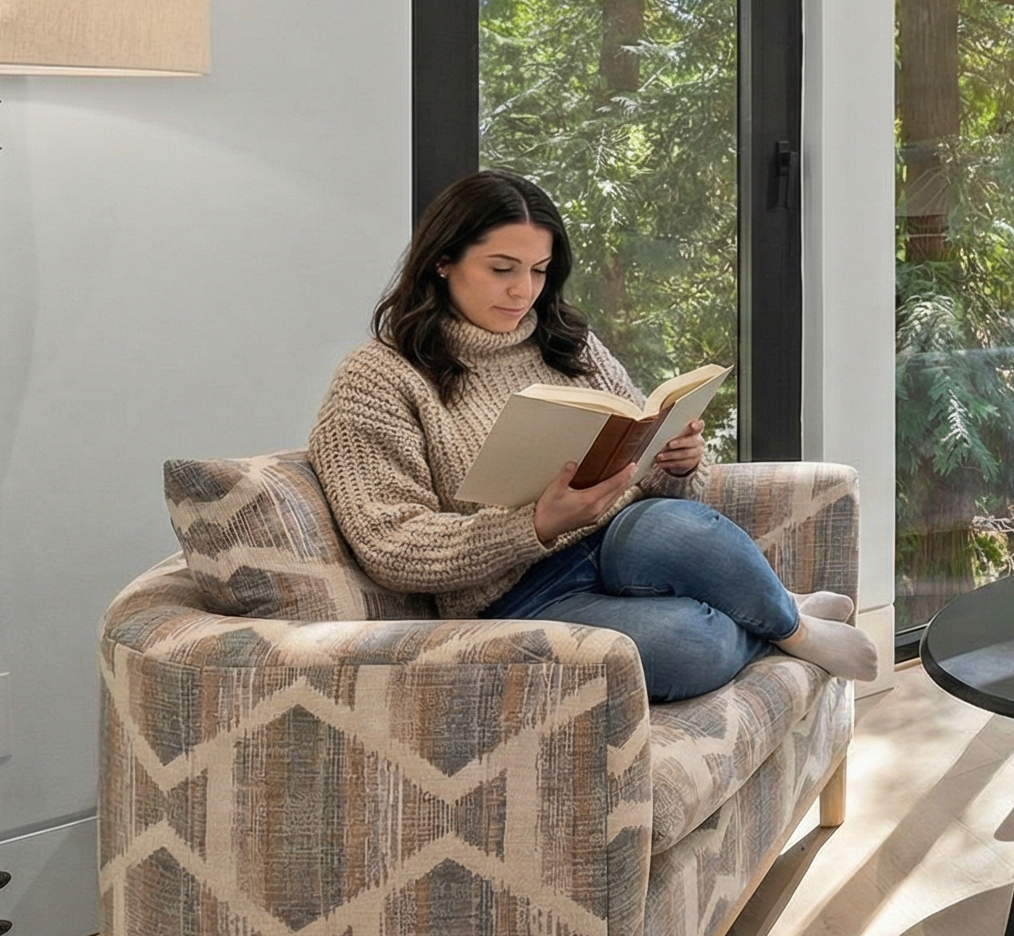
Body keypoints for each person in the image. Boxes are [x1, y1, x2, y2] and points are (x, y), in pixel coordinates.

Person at [310, 168, 877, 699]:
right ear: (442, 262)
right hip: (517, 598)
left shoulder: (566, 343)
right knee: (690, 646)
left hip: (622, 539)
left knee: (679, 527)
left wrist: (675, 461)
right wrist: (533, 526)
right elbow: (391, 547)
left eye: (539, 271)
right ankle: (783, 620)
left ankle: (787, 620)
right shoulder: (378, 378)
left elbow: (637, 453)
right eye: (502, 269)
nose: (523, 291)